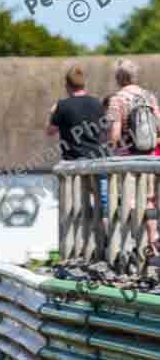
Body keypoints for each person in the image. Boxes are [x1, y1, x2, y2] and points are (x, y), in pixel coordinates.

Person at [106, 59, 160, 248]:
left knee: (130, 200)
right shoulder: (149, 97)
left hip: (127, 156)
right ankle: (152, 242)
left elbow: (114, 132)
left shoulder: (117, 99)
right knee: (149, 199)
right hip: (150, 155)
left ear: (119, 77)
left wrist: (111, 150)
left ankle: (136, 244)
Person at [46, 65, 104, 160]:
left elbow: (50, 131)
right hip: (96, 159)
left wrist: (52, 113)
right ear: (83, 85)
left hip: (73, 161)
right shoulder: (97, 103)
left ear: (67, 85)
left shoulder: (62, 105)